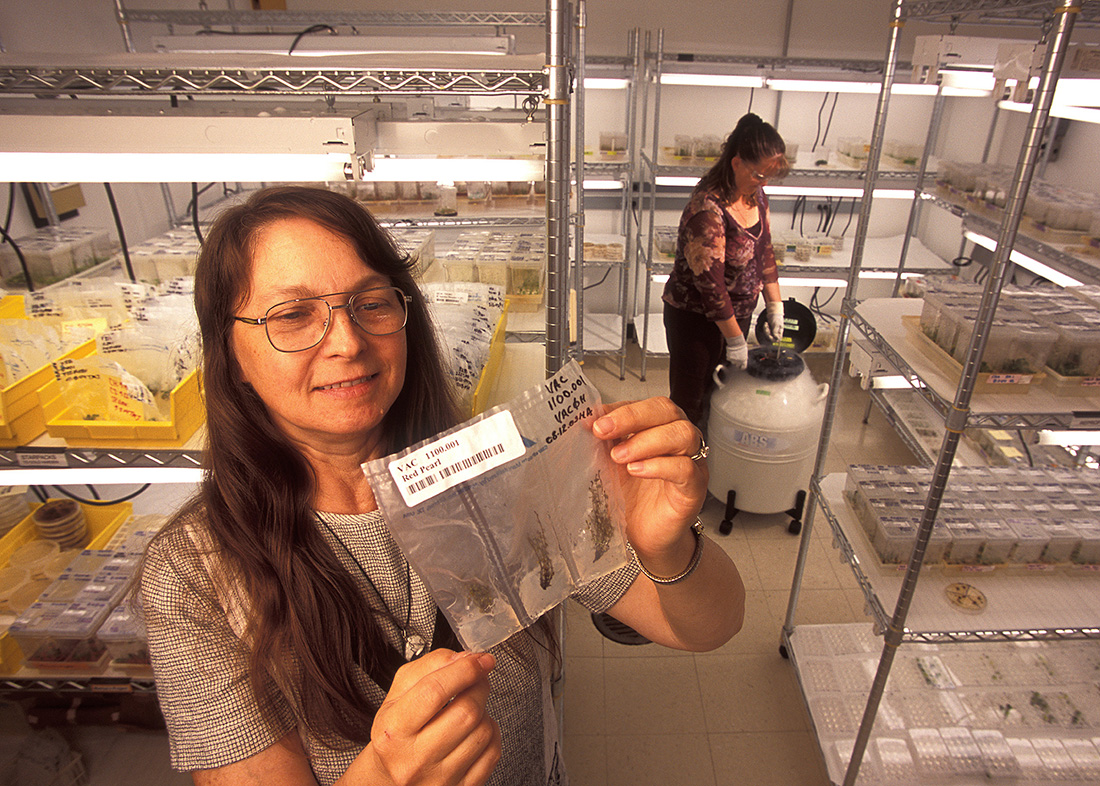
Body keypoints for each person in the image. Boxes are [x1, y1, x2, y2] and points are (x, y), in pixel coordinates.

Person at [137, 185, 744, 786]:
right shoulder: (192, 571)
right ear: (229, 353)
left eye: (370, 302)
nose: (347, 343)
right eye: (292, 316)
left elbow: (711, 625)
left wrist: (667, 546)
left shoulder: (500, 472)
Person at [662, 113, 790, 427]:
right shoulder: (707, 208)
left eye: (769, 176)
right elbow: (712, 289)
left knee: (721, 398)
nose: (765, 183)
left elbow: (765, 250)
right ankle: (686, 465)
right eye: (760, 174)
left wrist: (775, 305)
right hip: (697, 321)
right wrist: (735, 341)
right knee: (690, 403)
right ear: (737, 163)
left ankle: (709, 461)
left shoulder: (755, 195)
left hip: (735, 317)